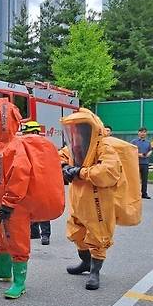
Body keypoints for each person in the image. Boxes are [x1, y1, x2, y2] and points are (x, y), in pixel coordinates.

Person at [0, 105, 65, 299]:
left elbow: (20, 176)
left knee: (16, 239)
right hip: (0, 202)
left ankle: (19, 282)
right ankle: (3, 269)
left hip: (14, 206)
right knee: (1, 236)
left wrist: (9, 203)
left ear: (2, 123)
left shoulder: (14, 147)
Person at [61, 109, 123, 290]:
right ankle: (86, 263)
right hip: (78, 196)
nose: (77, 131)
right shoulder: (76, 145)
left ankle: (95, 272)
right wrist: (64, 166)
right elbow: (60, 156)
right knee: (76, 230)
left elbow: (109, 171)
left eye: (80, 127)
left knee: (98, 233)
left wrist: (81, 172)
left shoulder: (104, 146)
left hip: (98, 197)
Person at [21, 121, 52, 246]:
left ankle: (45, 235)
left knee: (42, 207)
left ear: (35, 132)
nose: (24, 135)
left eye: (26, 133)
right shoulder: (24, 145)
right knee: (29, 205)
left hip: (42, 179)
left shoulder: (45, 145)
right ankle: (33, 232)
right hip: (29, 178)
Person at [130, 127, 152, 199]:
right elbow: (130, 151)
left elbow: (150, 150)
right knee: (135, 179)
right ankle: (134, 193)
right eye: (141, 132)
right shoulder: (134, 142)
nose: (143, 133)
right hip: (136, 163)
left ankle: (144, 193)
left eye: (144, 132)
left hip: (145, 163)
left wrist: (148, 154)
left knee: (144, 179)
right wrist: (139, 154)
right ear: (138, 133)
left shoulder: (148, 142)